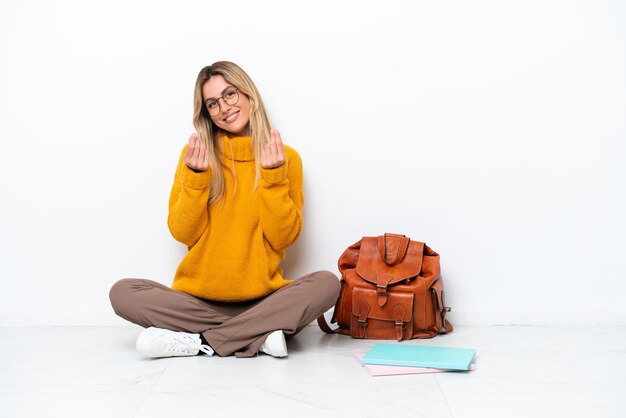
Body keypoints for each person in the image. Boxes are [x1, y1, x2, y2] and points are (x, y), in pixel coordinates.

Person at [109, 61, 340, 359]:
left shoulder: (286, 158)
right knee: (123, 292)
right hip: (197, 303)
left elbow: (283, 238)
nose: (224, 108)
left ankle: (201, 341)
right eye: (212, 104)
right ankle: (259, 335)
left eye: (230, 94)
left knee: (327, 283)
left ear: (249, 96)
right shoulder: (196, 156)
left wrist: (271, 178)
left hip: (264, 301)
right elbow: (183, 232)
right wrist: (195, 178)